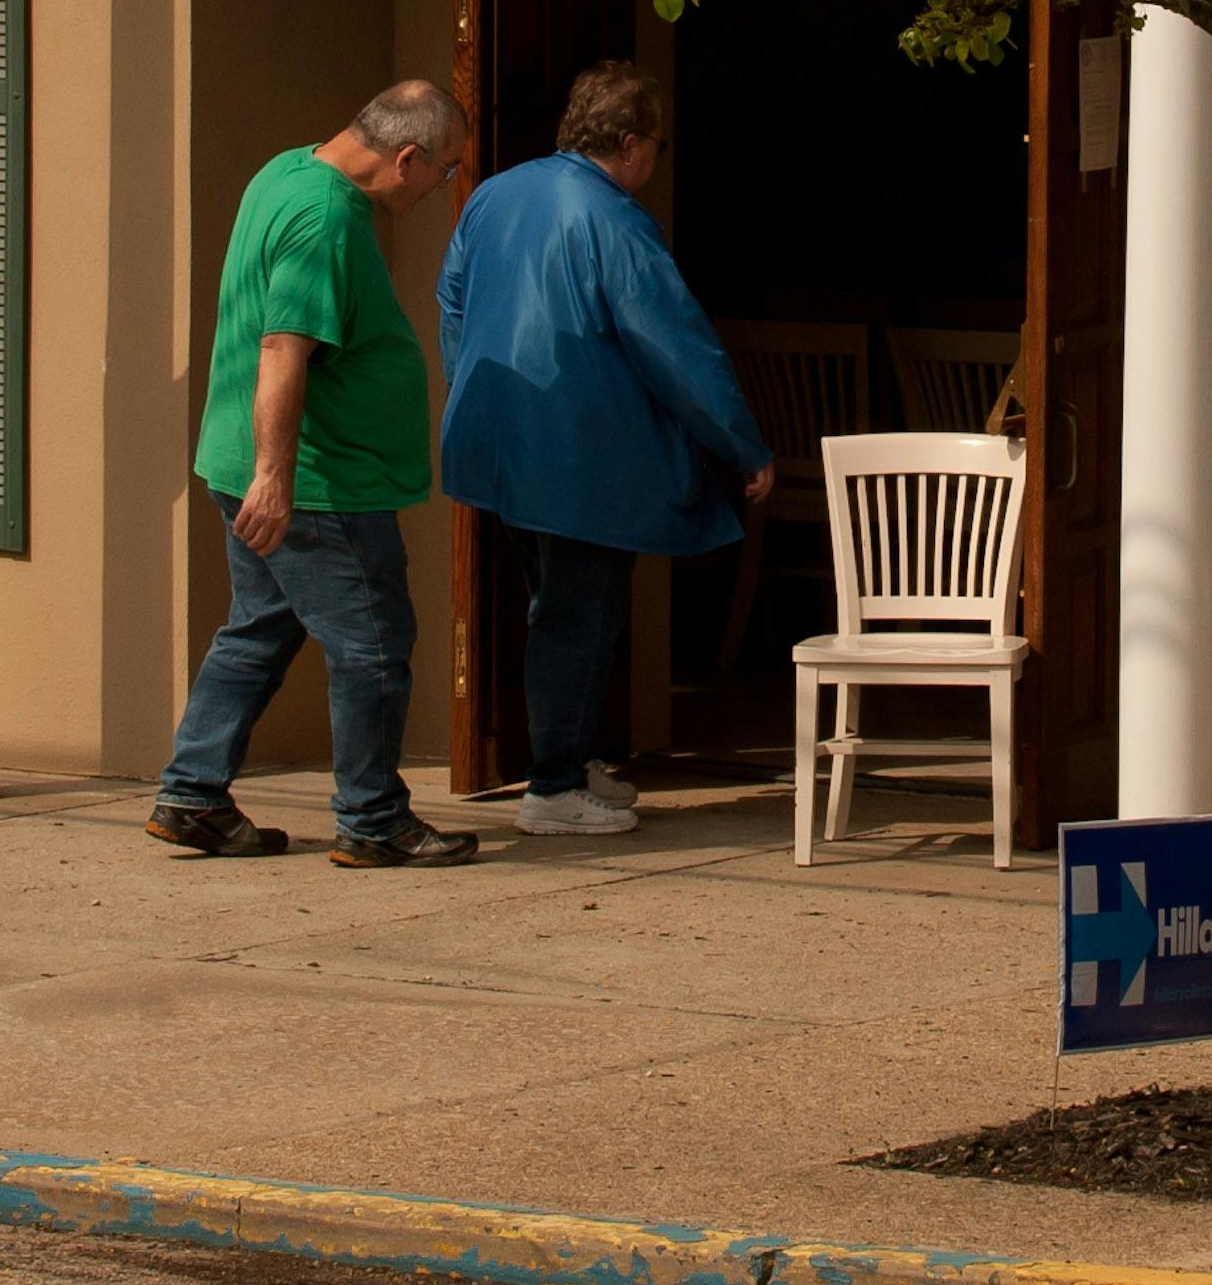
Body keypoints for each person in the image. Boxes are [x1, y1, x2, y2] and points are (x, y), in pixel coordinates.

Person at [151, 80, 480, 869]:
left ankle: (193, 793)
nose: (444, 187)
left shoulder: (286, 170)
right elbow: (282, 346)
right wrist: (276, 476)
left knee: (261, 627)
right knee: (373, 643)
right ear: (407, 157)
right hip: (319, 483)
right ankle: (373, 820)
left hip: (247, 459)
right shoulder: (326, 217)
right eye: (445, 170)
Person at [438, 60, 770, 838]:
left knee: (552, 605)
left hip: (504, 446)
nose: (656, 159)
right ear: (628, 142)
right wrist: (744, 447)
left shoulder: (492, 196)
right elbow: (676, 346)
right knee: (577, 617)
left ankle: (569, 756)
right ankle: (553, 787)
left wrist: (473, 398)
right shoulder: (615, 222)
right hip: (583, 457)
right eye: (655, 143)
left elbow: (452, 299)